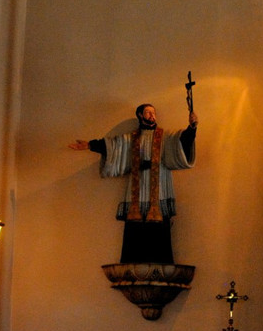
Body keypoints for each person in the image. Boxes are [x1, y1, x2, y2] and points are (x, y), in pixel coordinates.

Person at [70, 103, 197, 264]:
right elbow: (113, 146)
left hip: (160, 191)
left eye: (154, 113)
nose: (152, 115)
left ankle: (161, 262)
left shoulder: (164, 137)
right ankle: (133, 261)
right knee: (135, 227)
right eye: (148, 112)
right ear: (140, 115)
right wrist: (90, 145)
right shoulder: (131, 139)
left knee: (160, 228)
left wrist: (192, 128)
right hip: (136, 193)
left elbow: (181, 141)